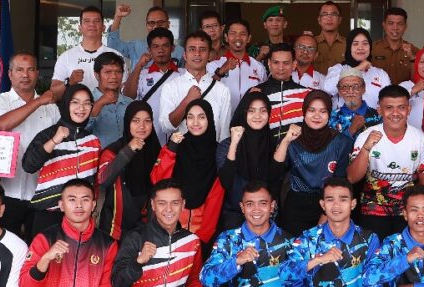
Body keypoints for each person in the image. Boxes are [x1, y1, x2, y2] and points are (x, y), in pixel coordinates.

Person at [0, 52, 62, 240]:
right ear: (10, 74)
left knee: (37, 249)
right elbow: (3, 124)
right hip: (6, 191)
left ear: (37, 74)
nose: (25, 75)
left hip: (41, 193)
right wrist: (38, 101)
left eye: (30, 70)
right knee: (5, 248)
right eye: (19, 70)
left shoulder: (52, 108)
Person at [348, 85, 424, 240]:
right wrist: (366, 148)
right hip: (373, 210)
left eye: (401, 107)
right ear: (379, 110)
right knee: (374, 251)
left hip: (407, 212)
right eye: (389, 108)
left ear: (409, 110)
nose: (395, 113)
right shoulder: (366, 136)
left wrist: (422, 213)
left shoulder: (420, 139)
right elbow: (352, 178)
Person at [21, 84, 101, 236]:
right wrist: (54, 141)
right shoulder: (47, 135)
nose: (81, 108)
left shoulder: (93, 141)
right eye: (75, 102)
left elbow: (95, 182)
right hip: (49, 215)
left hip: (81, 217)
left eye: (87, 103)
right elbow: (28, 165)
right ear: (65, 104)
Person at [274, 91, 353, 237]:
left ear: (329, 114)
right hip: (295, 205)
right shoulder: (292, 138)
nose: (317, 116)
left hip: (328, 205)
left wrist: (325, 215)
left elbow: (340, 181)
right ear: (304, 112)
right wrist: (285, 141)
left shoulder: (342, 142)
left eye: (323, 111)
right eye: (312, 110)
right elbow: (276, 172)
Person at [217, 92, 285, 232]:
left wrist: (285, 142)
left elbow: (276, 177)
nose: (257, 116)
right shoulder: (227, 144)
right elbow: (226, 181)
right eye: (251, 111)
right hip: (234, 215)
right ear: (244, 113)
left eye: (263, 111)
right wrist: (234, 143)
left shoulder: (275, 144)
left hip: (267, 217)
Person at [97, 101, 163, 241]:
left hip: (146, 231)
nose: (142, 126)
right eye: (136, 121)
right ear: (127, 122)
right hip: (114, 230)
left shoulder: (157, 151)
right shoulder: (113, 151)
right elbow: (103, 180)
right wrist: (128, 150)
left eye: (147, 121)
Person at [167, 100, 225, 244]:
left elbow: (217, 196)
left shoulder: (219, 152)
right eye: (190, 117)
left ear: (209, 119)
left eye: (201, 117)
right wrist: (171, 148)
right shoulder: (176, 146)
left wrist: (202, 237)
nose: (195, 122)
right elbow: (159, 181)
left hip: (204, 231)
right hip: (171, 226)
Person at [158, 30, 232, 142]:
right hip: (181, 151)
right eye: (192, 49)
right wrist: (187, 101)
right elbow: (166, 127)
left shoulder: (222, 90)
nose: (197, 53)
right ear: (185, 55)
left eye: (202, 49)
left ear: (209, 55)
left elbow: (224, 134)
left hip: (212, 152)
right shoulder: (170, 87)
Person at [122, 27, 181, 144]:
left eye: (165, 45)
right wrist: (138, 65)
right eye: (156, 46)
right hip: (148, 135)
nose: (161, 50)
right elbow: (128, 96)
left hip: (177, 137)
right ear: (149, 50)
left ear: (173, 48)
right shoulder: (141, 74)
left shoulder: (183, 74)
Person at [53, 6, 126, 91]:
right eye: (87, 21)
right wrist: (70, 82)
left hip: (108, 100)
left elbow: (124, 90)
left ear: (103, 27)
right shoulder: (66, 57)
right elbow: (54, 92)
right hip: (77, 100)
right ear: (80, 28)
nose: (92, 24)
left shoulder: (116, 56)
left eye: (96, 21)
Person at [323, 28, 391, 109]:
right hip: (342, 117)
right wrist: (357, 69)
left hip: (374, 117)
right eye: (355, 44)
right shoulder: (338, 69)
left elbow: (388, 102)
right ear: (349, 48)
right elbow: (328, 89)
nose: (360, 47)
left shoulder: (381, 74)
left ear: (370, 47)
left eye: (365, 43)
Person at [257, 42, 311, 143]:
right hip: (263, 151)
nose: (281, 67)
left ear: (294, 64)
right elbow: (239, 125)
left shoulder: (306, 94)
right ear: (269, 63)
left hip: (297, 151)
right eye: (276, 62)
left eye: (286, 63)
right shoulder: (256, 93)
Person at [207, 18, 267, 103]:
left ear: (249, 38)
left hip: (249, 112)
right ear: (226, 37)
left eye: (242, 34)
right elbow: (206, 91)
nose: (238, 37)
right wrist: (220, 71)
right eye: (233, 33)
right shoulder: (213, 66)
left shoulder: (259, 67)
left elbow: (264, 97)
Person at [108, 3, 185, 65]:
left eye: (160, 22)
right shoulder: (136, 46)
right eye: (151, 23)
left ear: (168, 24)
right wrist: (118, 17)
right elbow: (113, 46)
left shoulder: (180, 51)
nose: (156, 26)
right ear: (146, 25)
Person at [89, 51, 134, 148]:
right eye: (108, 72)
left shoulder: (130, 104)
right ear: (97, 75)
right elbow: (77, 131)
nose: (114, 77)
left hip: (128, 156)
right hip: (97, 157)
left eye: (118, 72)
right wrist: (99, 104)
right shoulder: (85, 101)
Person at [370, 7, 417, 85]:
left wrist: (412, 59)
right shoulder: (372, 49)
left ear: (405, 27)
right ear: (384, 25)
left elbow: (418, 81)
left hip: (405, 92)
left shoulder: (414, 51)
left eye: (400, 24)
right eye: (391, 23)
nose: (395, 28)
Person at [330, 67, 382, 137]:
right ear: (339, 91)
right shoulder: (331, 117)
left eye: (356, 86)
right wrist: (352, 130)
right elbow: (331, 144)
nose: (350, 91)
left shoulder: (378, 116)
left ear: (363, 89)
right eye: (345, 86)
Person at [314, 1, 347, 72]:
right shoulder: (311, 44)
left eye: (334, 14)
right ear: (319, 20)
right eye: (325, 14)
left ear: (340, 19)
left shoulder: (349, 44)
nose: (329, 18)